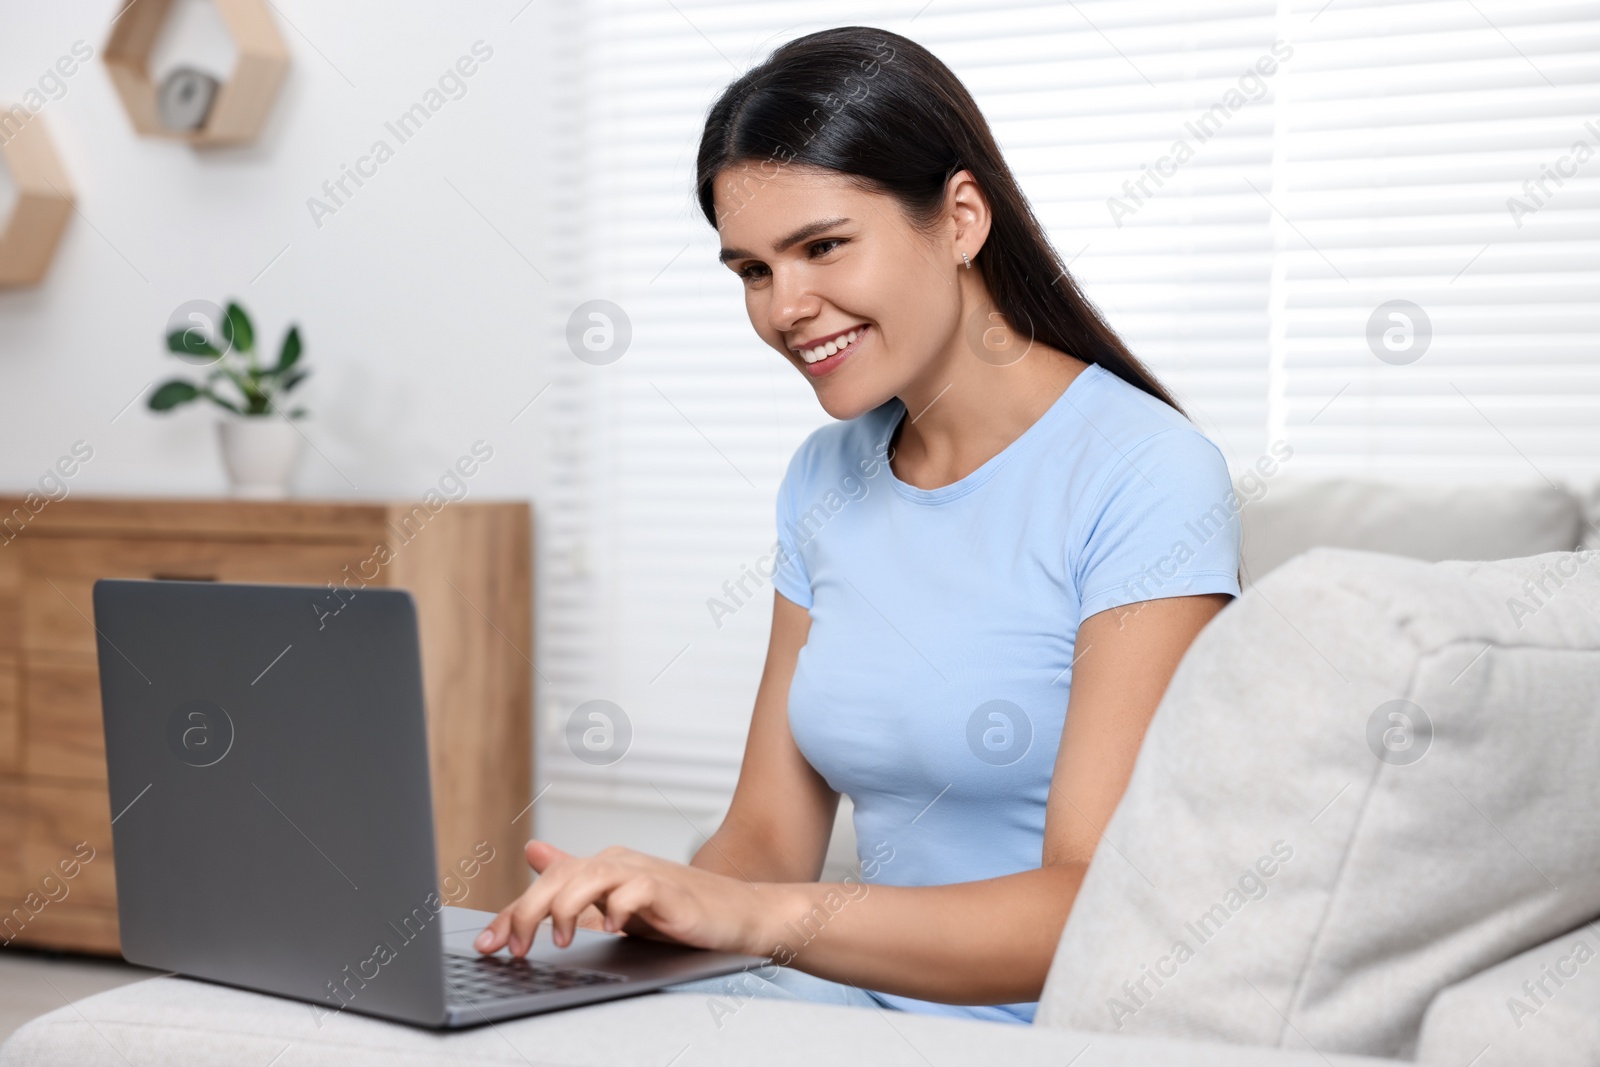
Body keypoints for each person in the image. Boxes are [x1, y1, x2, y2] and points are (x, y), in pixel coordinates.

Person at [473, 25, 1243, 1024]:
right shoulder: (823, 478)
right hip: (824, 1010)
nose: (786, 307)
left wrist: (757, 914)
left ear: (960, 218)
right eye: (752, 270)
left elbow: (1090, 906)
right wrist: (649, 905)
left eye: (822, 246)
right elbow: (762, 840)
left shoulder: (1147, 473)